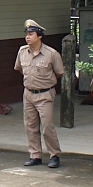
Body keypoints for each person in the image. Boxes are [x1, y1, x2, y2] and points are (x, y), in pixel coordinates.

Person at [14, 19, 63, 168]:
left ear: (39, 36)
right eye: (26, 34)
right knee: (30, 125)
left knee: (47, 126)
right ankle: (35, 155)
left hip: (45, 94)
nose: (28, 37)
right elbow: (19, 69)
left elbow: (59, 72)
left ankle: (54, 155)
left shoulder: (51, 54)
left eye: (31, 34)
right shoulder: (22, 52)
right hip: (28, 93)